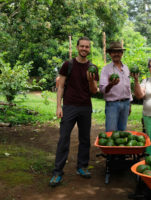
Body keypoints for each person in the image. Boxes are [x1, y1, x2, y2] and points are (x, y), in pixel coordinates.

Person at [50, 36, 99, 187]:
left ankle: (82, 167)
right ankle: (58, 172)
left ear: (89, 49)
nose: (84, 49)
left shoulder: (93, 68)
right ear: (77, 47)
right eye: (82, 46)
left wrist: (91, 80)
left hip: (85, 106)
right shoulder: (68, 64)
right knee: (64, 138)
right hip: (70, 106)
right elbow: (61, 86)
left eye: (87, 47)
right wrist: (59, 106)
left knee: (85, 138)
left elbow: (94, 91)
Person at [99, 41, 132, 131]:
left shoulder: (126, 68)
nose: (116, 54)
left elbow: (128, 87)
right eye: (113, 52)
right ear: (110, 54)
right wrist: (111, 84)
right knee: (111, 132)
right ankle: (110, 146)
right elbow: (102, 89)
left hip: (126, 103)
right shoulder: (106, 69)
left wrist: (130, 104)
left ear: (122, 53)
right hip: (112, 104)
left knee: (122, 131)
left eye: (119, 52)